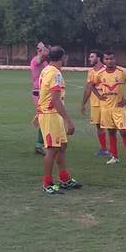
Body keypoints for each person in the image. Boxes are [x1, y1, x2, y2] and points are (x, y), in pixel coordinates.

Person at [36, 47, 82, 194]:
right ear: (63, 57)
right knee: (52, 149)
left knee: (61, 146)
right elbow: (55, 99)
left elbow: (43, 93)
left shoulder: (47, 70)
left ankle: (64, 179)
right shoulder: (55, 74)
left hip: (50, 113)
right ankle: (47, 183)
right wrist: (68, 120)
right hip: (51, 114)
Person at [89, 51, 126, 166]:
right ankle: (114, 156)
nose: (109, 61)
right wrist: (99, 96)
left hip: (118, 108)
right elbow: (92, 85)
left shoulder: (122, 72)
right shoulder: (100, 73)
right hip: (106, 108)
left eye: (111, 59)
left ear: (115, 59)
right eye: (107, 59)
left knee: (123, 132)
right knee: (111, 131)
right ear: (104, 60)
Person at [80, 50, 109, 157]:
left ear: (99, 58)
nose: (89, 59)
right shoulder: (91, 72)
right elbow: (88, 88)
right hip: (95, 102)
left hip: (107, 102)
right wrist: (83, 104)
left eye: (92, 56)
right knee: (98, 125)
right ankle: (104, 149)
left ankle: (114, 150)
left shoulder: (107, 70)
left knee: (111, 126)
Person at [29, 42, 49, 155]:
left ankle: (40, 144)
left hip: (45, 92)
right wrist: (44, 49)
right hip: (38, 92)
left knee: (45, 117)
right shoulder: (36, 60)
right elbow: (44, 56)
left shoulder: (45, 61)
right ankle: (41, 144)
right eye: (39, 49)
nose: (41, 51)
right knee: (44, 117)